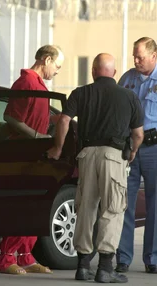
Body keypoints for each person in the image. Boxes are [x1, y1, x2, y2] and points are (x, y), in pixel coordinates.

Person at [47, 53, 144, 283]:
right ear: (114, 72)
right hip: (114, 156)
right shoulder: (129, 96)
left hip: (87, 156)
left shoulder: (80, 93)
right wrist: (132, 153)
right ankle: (105, 268)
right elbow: (138, 134)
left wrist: (58, 149)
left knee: (86, 208)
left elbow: (63, 120)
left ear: (93, 71)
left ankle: (82, 266)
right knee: (112, 209)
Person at [0, 45, 64, 275]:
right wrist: (36, 135)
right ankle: (6, 259)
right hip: (21, 154)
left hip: (36, 155)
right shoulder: (26, 83)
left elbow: (36, 115)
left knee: (35, 205)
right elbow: (10, 117)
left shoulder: (39, 85)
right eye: (57, 66)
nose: (57, 71)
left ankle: (25, 255)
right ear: (46, 60)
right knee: (21, 207)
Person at [116, 37, 157, 274]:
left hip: (153, 148)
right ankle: (123, 257)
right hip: (129, 148)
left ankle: (152, 258)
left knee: (154, 205)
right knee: (124, 203)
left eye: (140, 56)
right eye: (134, 56)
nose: (136, 60)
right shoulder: (127, 78)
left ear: (153, 56)